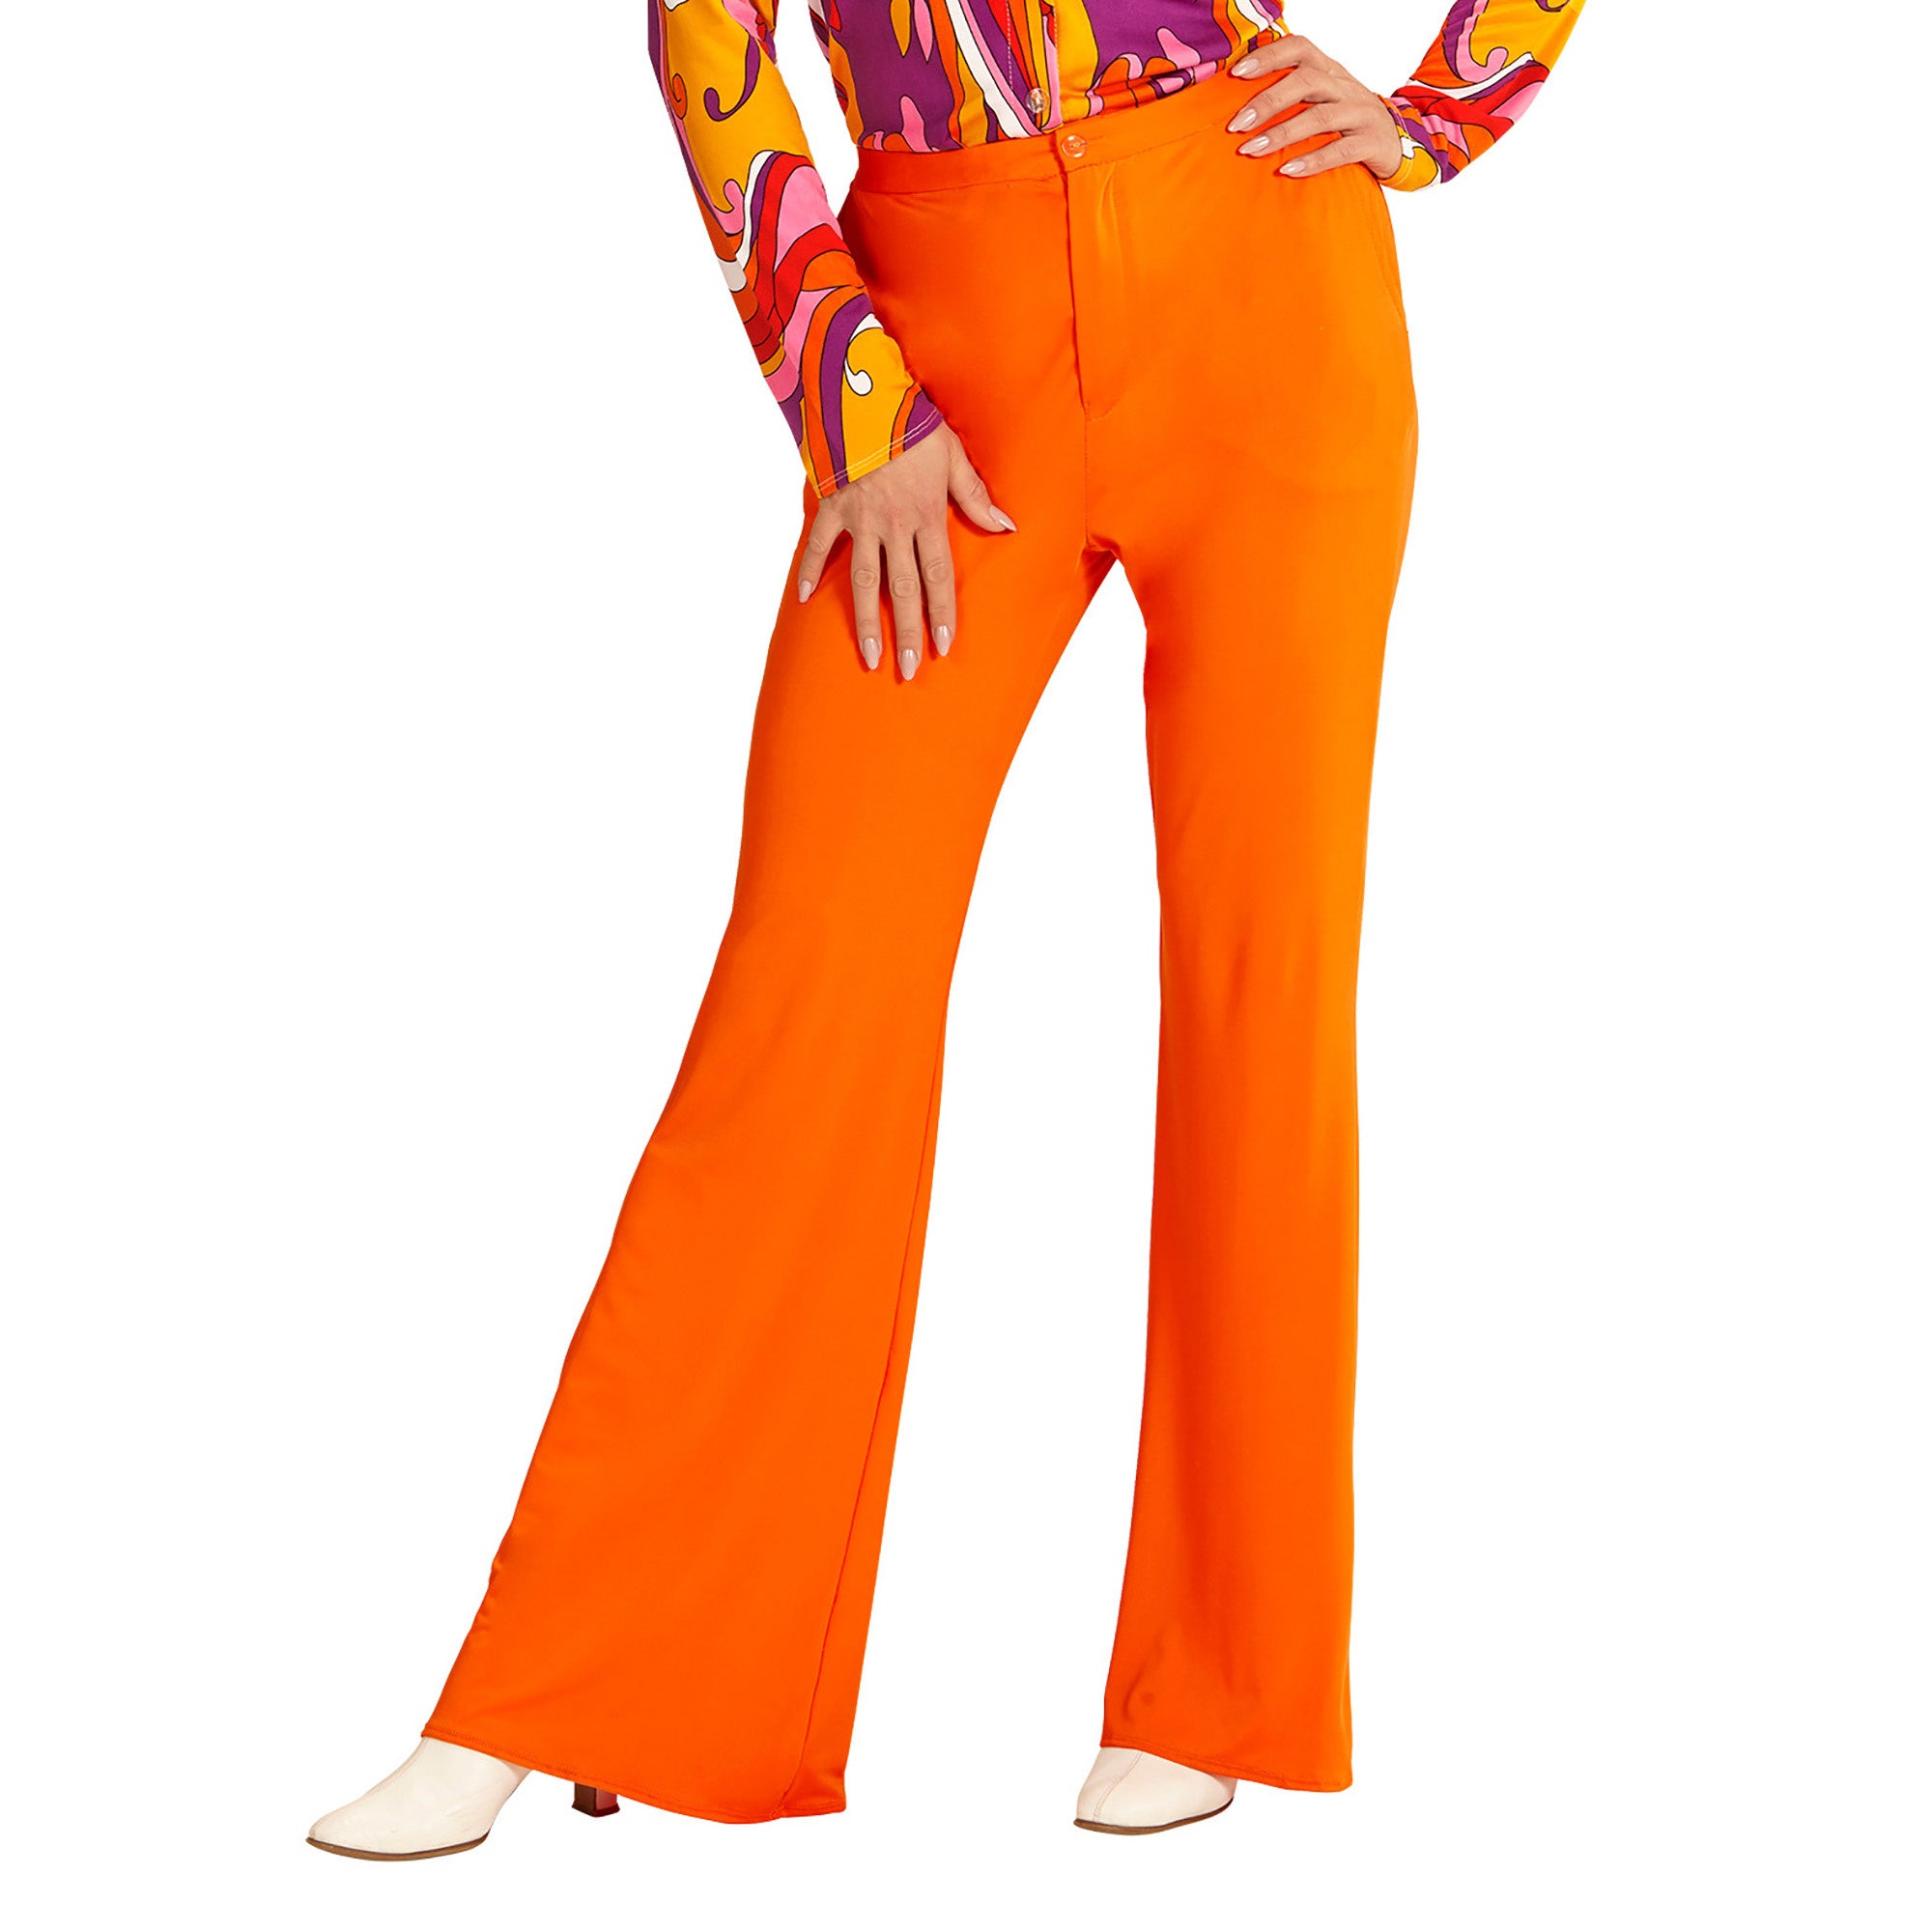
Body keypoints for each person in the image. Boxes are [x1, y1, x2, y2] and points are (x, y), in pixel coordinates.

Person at [307, 0, 1585, 1859]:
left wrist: (1447, 107)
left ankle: (1225, 1686)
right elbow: (703, 31)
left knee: (1265, 981)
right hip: (939, 336)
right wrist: (853, 407)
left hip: (1263, 264)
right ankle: (575, 1683)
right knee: (807, 985)